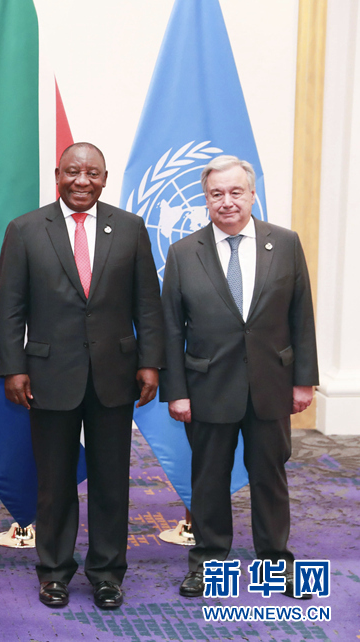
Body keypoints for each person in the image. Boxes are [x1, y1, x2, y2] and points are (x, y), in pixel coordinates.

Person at [0, 142, 164, 610]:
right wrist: (13, 367)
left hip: (115, 374)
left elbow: (147, 303)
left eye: (92, 173)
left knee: (112, 482)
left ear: (105, 179)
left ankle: (107, 574)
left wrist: (151, 362)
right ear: (58, 175)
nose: (82, 181)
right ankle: (54, 572)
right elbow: (10, 310)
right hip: (48, 375)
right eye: (73, 172)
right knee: (54, 483)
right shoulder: (25, 229)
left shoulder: (129, 228)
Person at [159, 155, 318, 599]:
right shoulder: (183, 252)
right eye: (216, 194)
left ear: (252, 194)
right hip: (207, 387)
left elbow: (301, 315)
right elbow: (171, 329)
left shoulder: (284, 243)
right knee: (209, 480)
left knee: (270, 477)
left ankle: (276, 564)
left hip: (271, 384)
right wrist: (177, 392)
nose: (226, 201)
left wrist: (303, 380)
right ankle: (208, 563)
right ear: (206, 199)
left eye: (235, 192)